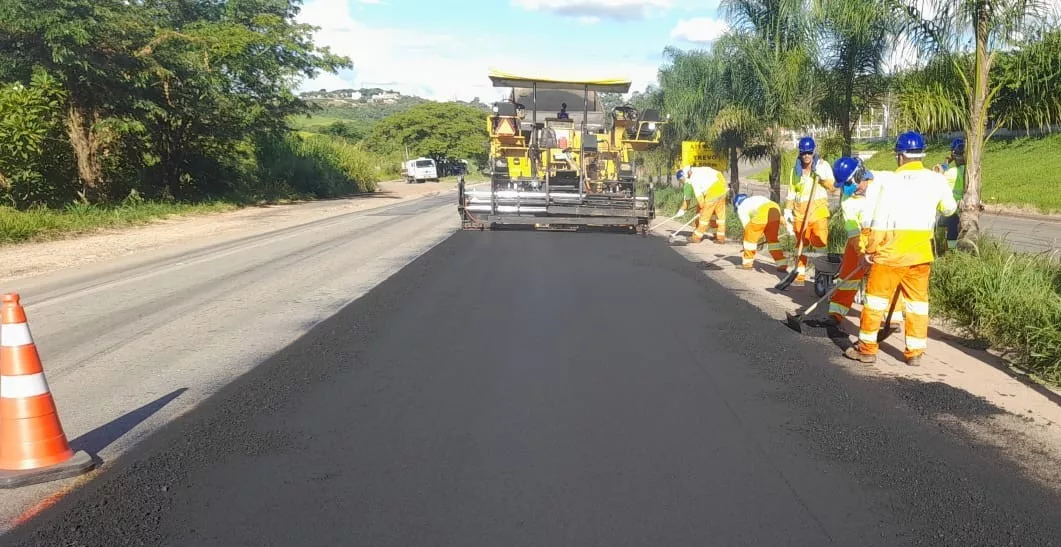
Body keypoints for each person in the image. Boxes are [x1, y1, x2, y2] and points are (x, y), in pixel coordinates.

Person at [843, 130, 957, 367]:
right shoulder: (937, 180)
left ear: (900, 156)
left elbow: (880, 222)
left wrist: (868, 253)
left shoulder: (890, 182)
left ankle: (866, 349)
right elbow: (949, 209)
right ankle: (914, 352)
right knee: (917, 305)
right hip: (920, 254)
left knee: (875, 302)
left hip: (890, 256)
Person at [821, 157, 903, 332]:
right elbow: (852, 231)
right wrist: (861, 253)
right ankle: (836, 313)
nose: (850, 191)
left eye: (851, 185)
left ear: (860, 175)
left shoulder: (885, 180)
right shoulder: (848, 201)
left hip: (885, 236)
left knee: (885, 279)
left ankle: (893, 318)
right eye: (846, 187)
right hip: (859, 239)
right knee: (847, 277)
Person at [783, 136, 836, 286]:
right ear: (800, 153)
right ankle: (799, 274)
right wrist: (787, 211)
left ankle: (821, 276)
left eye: (809, 153)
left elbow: (833, 188)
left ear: (814, 152)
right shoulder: (796, 170)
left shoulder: (822, 165)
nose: (806, 156)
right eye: (803, 153)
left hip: (818, 212)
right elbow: (791, 192)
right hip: (800, 213)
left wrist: (823, 177)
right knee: (801, 245)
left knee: (820, 245)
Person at [733, 193, 788, 270]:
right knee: (773, 242)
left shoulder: (741, 208)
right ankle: (782, 264)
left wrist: (749, 242)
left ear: (737, 204)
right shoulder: (755, 198)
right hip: (775, 208)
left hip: (764, 211)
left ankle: (747, 264)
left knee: (749, 237)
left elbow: (747, 228)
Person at [676, 164, 729, 244]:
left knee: (704, 218)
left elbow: (699, 197)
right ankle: (720, 238)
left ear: (687, 175)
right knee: (719, 217)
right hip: (722, 191)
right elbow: (719, 174)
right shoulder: (702, 169)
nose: (684, 181)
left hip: (712, 193)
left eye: (682, 179)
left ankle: (696, 238)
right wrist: (725, 188)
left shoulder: (694, 179)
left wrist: (702, 208)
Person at [933, 138, 965, 252]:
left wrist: (946, 161)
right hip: (966, 210)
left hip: (953, 210)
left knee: (942, 226)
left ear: (953, 154)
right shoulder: (970, 171)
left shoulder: (951, 173)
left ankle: (947, 252)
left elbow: (937, 176)